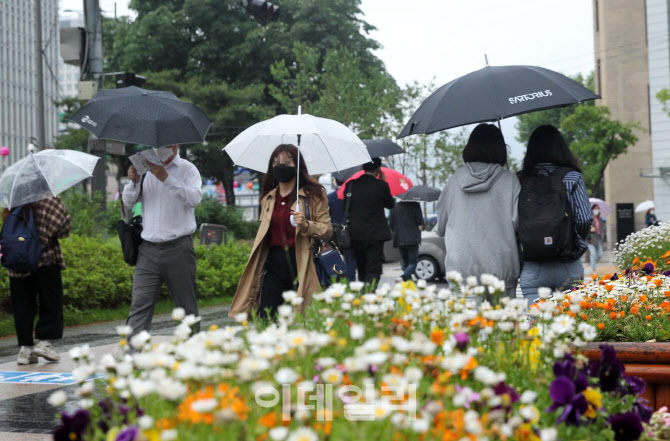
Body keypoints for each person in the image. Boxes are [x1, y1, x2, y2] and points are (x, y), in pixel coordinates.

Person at [229, 144, 332, 319]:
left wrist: (306, 224)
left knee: (302, 319)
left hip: (302, 262)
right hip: (274, 264)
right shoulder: (268, 197)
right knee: (268, 318)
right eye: (276, 162)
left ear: (297, 165)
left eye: (287, 162)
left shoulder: (314, 194)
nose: (281, 166)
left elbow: (327, 230)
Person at [122, 145, 203, 338]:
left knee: (186, 308)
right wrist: (133, 182)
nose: (161, 148)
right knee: (139, 306)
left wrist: (166, 178)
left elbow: (194, 198)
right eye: (158, 145)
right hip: (148, 250)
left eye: (167, 144)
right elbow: (128, 202)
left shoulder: (187, 169)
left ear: (176, 145)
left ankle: (193, 356)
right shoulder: (146, 170)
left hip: (179, 248)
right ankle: (132, 359)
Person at [435, 124, 520, 300]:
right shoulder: (510, 181)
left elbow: (440, 226)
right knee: (500, 325)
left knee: (465, 326)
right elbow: (518, 224)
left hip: (461, 267)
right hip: (501, 266)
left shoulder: (454, 181)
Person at [517, 125, 592, 303]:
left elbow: (513, 221)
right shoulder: (572, 177)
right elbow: (584, 219)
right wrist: (572, 244)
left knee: (537, 325)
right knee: (571, 323)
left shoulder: (520, 180)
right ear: (561, 148)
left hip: (533, 264)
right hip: (568, 263)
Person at [4, 197, 71, 365]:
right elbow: (64, 230)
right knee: (51, 302)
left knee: (22, 306)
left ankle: (25, 350)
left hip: (18, 263)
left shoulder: (12, 204)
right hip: (45, 260)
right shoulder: (47, 200)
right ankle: (44, 342)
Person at [344, 157, 394, 286]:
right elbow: (390, 204)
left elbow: (345, 207)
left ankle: (363, 294)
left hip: (355, 234)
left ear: (363, 168)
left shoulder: (350, 185)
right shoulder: (381, 185)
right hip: (374, 235)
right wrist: (383, 182)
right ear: (378, 169)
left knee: (361, 268)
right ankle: (368, 295)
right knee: (374, 269)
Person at [327, 179, 356, 281]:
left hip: (334, 233)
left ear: (336, 182)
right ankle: (350, 284)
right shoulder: (352, 196)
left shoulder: (330, 197)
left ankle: (337, 282)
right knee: (350, 261)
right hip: (349, 233)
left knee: (335, 259)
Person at [390, 201, 423, 281]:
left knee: (405, 261)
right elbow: (420, 222)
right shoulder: (415, 205)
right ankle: (404, 276)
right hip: (412, 239)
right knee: (413, 262)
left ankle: (408, 280)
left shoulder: (395, 206)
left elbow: (391, 223)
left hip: (400, 238)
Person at [586, 204, 605, 274]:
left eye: (597, 209)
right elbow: (585, 228)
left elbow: (602, 229)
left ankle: (592, 264)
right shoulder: (589, 219)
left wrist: (602, 235)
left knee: (599, 254)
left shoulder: (600, 219)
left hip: (598, 238)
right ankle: (594, 269)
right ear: (592, 210)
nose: (596, 210)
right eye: (595, 209)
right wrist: (590, 229)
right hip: (590, 239)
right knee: (593, 254)